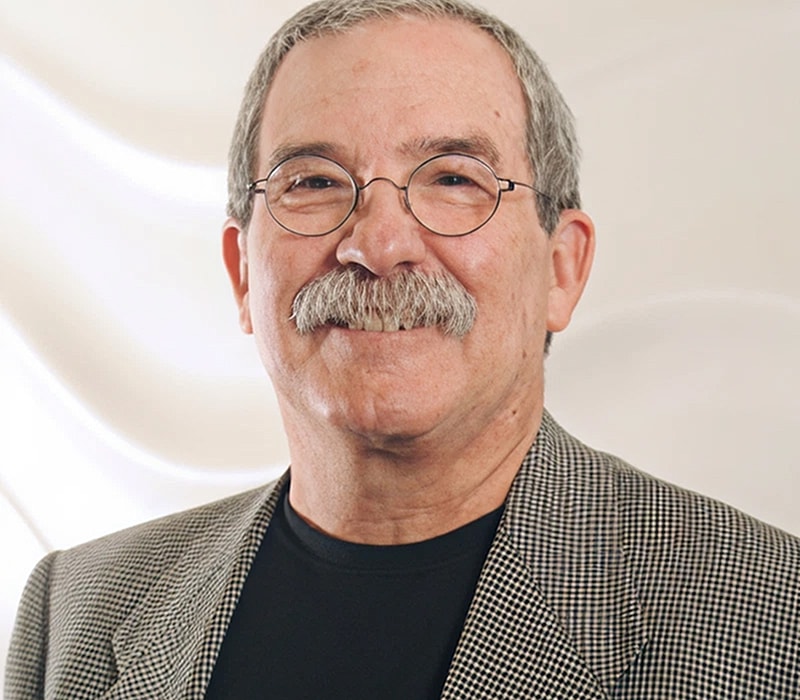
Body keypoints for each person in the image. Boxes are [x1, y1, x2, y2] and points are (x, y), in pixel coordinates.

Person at [5, 0, 799, 697]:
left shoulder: (770, 619)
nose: (380, 244)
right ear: (242, 274)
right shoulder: (74, 613)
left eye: (453, 179)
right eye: (312, 181)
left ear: (563, 268)